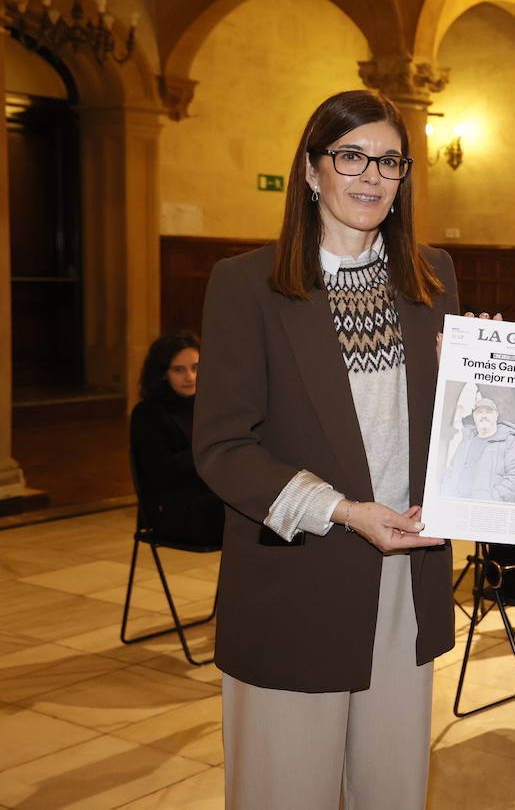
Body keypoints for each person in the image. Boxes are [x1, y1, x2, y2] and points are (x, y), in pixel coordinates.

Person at [193, 90, 460, 809]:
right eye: (352, 157)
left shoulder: (433, 280)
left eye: (389, 161)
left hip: (406, 579)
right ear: (312, 172)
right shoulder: (246, 284)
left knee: (391, 791)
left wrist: (480, 379)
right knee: (285, 791)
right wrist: (341, 510)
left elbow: (454, 431)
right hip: (296, 583)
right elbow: (223, 447)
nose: (372, 177)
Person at [129, 331, 224, 548]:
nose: (190, 377)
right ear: (163, 373)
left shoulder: (209, 404)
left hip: (209, 499)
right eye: (178, 370)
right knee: (245, 513)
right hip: (173, 511)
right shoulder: (147, 414)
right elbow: (160, 473)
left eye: (196, 367)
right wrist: (210, 448)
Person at [439, 394, 515, 501]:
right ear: (474, 417)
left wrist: (492, 498)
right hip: (456, 506)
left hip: (484, 510)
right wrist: (446, 493)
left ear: (496, 416)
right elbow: (451, 470)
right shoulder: (467, 440)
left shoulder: (509, 441)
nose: (484, 415)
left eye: (488, 412)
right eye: (479, 412)